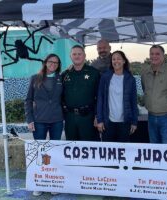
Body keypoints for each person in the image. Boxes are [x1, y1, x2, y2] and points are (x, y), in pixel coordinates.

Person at [24, 53, 63, 196]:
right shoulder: (35, 78)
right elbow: (28, 100)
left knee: (54, 151)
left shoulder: (61, 78)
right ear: (45, 62)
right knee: (40, 151)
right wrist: (30, 119)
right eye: (51, 61)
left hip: (56, 120)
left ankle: (53, 182)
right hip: (39, 120)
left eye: (56, 63)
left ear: (58, 65)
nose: (53, 64)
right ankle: (39, 183)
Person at [141, 45, 167, 144]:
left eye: (157, 54)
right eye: (152, 54)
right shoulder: (145, 72)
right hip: (151, 117)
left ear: (163, 56)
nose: (154, 56)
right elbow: (145, 90)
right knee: (155, 151)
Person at [96, 51, 138, 142]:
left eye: (118, 58)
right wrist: (100, 120)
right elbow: (100, 99)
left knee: (123, 151)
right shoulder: (105, 77)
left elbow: (133, 101)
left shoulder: (130, 79)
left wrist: (134, 122)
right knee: (108, 152)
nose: (116, 61)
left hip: (125, 122)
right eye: (113, 59)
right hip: (108, 122)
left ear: (124, 61)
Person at [62, 45, 100, 141]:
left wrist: (98, 115)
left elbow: (100, 97)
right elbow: (60, 95)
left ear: (84, 56)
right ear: (70, 56)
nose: (77, 56)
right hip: (70, 118)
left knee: (90, 147)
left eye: (79, 54)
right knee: (72, 147)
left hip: (88, 118)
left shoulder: (94, 73)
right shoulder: (65, 74)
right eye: (74, 54)